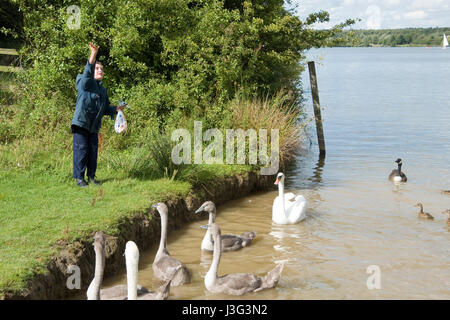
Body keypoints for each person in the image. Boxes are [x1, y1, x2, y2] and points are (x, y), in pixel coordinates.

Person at [71, 42, 126, 187]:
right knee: (81, 151)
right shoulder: (86, 82)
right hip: (81, 123)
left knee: (93, 152)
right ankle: (79, 179)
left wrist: (116, 109)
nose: (100, 70)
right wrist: (93, 54)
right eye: (97, 68)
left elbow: (105, 108)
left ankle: (91, 177)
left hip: (94, 126)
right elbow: (87, 72)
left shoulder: (103, 90)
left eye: (102, 69)